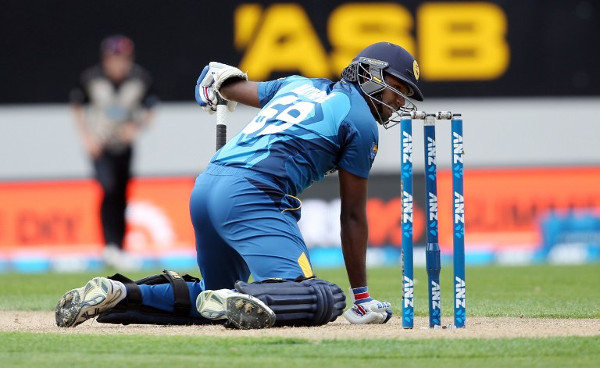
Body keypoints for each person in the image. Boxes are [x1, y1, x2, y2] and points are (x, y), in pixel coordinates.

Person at [56, 42, 424, 329]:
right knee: (321, 297)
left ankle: (121, 293)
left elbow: (223, 84)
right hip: (252, 196)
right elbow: (353, 217)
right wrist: (362, 297)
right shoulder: (361, 123)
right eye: (396, 89)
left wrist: (215, 79)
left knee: (213, 298)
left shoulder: (297, 84)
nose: (397, 102)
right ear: (368, 73)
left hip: (207, 187)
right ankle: (241, 295)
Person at [70, 35, 158, 269]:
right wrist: (87, 138)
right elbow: (77, 105)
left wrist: (136, 128)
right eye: (113, 59)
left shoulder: (139, 79)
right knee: (107, 188)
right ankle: (109, 244)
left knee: (122, 194)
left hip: (124, 146)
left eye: (123, 59)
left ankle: (119, 246)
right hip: (101, 146)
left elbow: (150, 108)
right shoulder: (92, 78)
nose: (118, 65)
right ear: (105, 59)